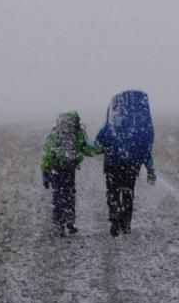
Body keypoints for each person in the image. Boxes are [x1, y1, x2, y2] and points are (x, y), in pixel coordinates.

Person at [95, 90, 156, 237]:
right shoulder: (140, 128)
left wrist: (87, 149)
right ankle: (126, 223)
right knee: (129, 193)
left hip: (112, 165)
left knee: (112, 193)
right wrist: (150, 169)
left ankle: (115, 220)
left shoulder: (110, 125)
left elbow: (97, 145)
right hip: (131, 166)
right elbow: (146, 151)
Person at [40, 111, 103, 237]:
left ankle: (58, 224)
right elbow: (87, 149)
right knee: (69, 194)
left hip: (56, 168)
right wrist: (102, 148)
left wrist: (45, 172)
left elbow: (46, 154)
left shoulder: (54, 134)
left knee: (58, 196)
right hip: (69, 168)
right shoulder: (78, 133)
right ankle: (70, 221)